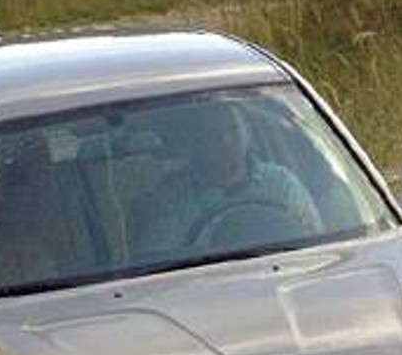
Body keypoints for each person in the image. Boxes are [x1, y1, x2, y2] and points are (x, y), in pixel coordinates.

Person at [134, 101, 323, 255]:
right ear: (198, 141)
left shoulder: (281, 183)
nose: (225, 141)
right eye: (213, 134)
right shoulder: (172, 197)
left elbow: (315, 240)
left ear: (247, 132)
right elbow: (156, 258)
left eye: (233, 129)